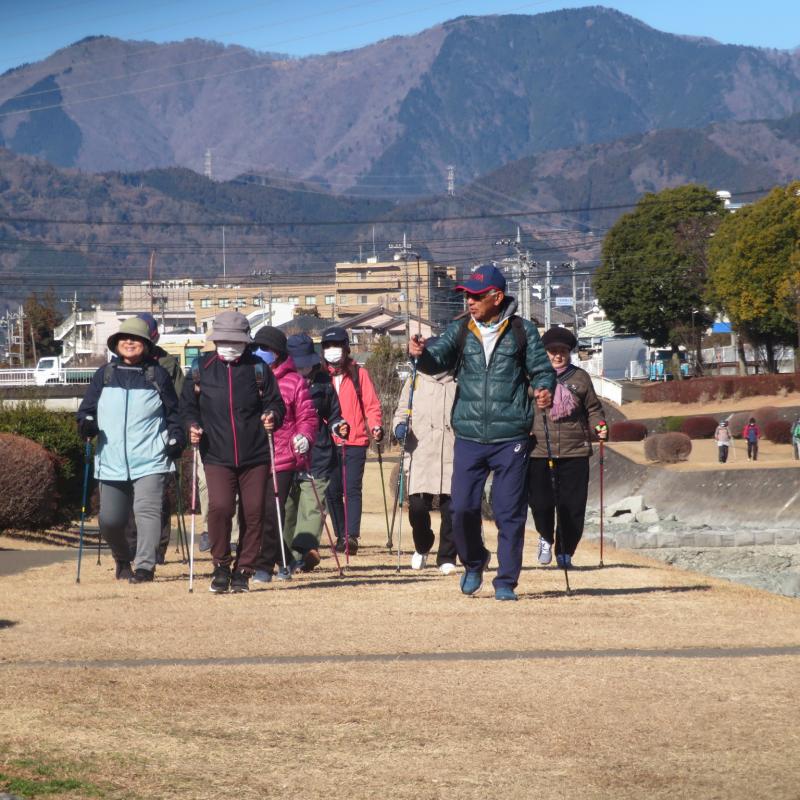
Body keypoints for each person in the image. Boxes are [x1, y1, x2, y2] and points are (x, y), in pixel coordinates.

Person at [408, 264, 555, 601]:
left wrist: (545, 389)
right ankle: (475, 561)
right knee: (460, 508)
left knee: (508, 512)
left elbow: (541, 371)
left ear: (496, 297)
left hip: (512, 437)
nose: (470, 302)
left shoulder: (523, 330)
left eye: (475, 296)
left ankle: (505, 581)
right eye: (467, 296)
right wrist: (421, 355)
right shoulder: (460, 330)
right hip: (470, 436)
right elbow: (437, 361)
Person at [180, 311, 285, 594]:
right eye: (223, 339)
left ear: (245, 341)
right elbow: (187, 407)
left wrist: (272, 415)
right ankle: (221, 566)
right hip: (215, 453)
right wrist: (192, 425)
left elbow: (277, 404)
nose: (229, 345)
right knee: (220, 508)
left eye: (235, 340)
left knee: (254, 512)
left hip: (256, 453)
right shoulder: (201, 369)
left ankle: (244, 570)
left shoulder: (258, 369)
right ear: (215, 340)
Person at [76, 317, 185, 583]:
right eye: (124, 339)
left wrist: (176, 438)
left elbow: (174, 413)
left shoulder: (156, 374)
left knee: (148, 512)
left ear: (146, 345)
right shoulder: (105, 374)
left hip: (150, 456)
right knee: (110, 520)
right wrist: (87, 424)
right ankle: (123, 559)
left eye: (135, 339)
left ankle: (146, 567)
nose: (129, 342)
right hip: (110, 458)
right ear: (116, 344)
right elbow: (86, 410)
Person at [527, 327, 606, 569]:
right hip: (539, 449)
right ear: (544, 352)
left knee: (572, 506)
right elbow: (519, 406)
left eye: (562, 351)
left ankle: (565, 551)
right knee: (540, 503)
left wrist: (600, 426)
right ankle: (544, 537)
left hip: (575, 451)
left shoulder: (580, 378)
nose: (557, 355)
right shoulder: (531, 377)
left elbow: (593, 409)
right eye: (552, 351)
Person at [250, 327, 318, 583]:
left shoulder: (294, 381)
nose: (259, 353)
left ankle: (264, 566)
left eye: (264, 349)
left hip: (284, 455)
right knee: (255, 512)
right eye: (256, 348)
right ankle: (286, 560)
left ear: (277, 352)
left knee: (271, 511)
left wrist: (305, 437)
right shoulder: (249, 376)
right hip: (253, 455)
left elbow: (308, 417)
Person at [282, 333, 349, 571]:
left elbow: (334, 414)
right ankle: (287, 557)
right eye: (298, 362)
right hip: (287, 453)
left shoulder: (323, 381)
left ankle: (305, 549)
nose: (304, 368)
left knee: (313, 505)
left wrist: (338, 426)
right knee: (289, 508)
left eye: (307, 362)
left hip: (318, 452)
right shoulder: (279, 381)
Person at [124, 312, 186, 565]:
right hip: (126, 440)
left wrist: (176, 434)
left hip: (159, 437)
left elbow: (179, 402)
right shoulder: (119, 365)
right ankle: (131, 548)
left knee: (158, 497)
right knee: (128, 497)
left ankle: (156, 550)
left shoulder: (167, 365)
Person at [392, 343, 458, 574]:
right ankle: (423, 544)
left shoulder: (459, 381)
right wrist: (400, 426)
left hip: (452, 450)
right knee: (418, 507)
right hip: (420, 451)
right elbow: (402, 411)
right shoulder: (415, 380)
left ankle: (447, 555)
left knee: (453, 508)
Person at [322, 326, 383, 555]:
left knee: (352, 489)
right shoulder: (320, 377)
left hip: (355, 440)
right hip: (327, 442)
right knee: (333, 491)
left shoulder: (359, 374)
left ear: (346, 348)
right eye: (327, 346)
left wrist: (375, 425)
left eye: (336, 345)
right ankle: (340, 535)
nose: (332, 350)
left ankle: (351, 536)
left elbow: (372, 405)